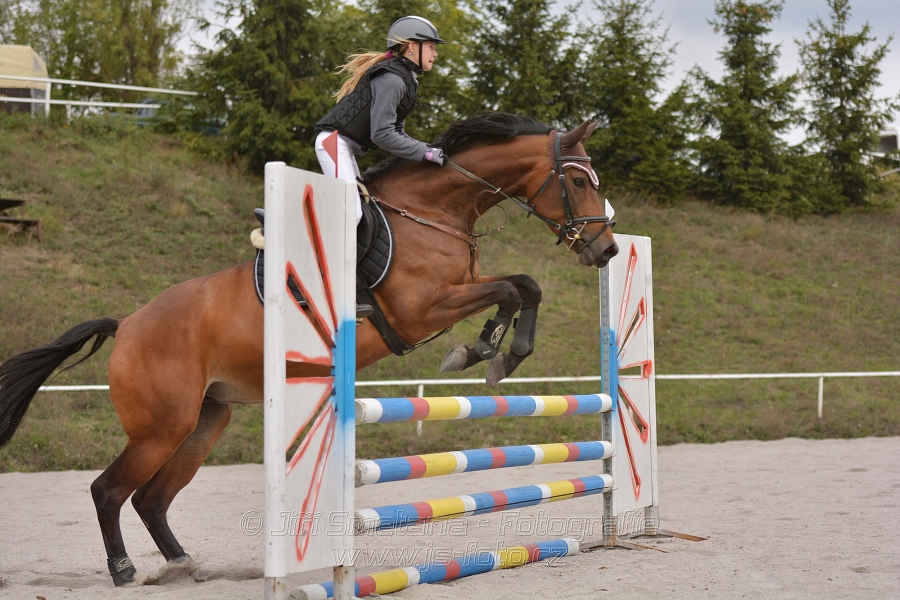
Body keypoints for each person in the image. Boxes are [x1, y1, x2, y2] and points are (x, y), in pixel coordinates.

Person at [314, 16, 447, 225]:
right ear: (412, 47)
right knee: (353, 213)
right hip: (333, 143)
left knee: (364, 205)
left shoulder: (406, 79)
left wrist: (426, 151)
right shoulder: (392, 79)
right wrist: (425, 152)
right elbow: (382, 134)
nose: (435, 53)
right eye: (431, 46)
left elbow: (397, 132)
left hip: (343, 147)